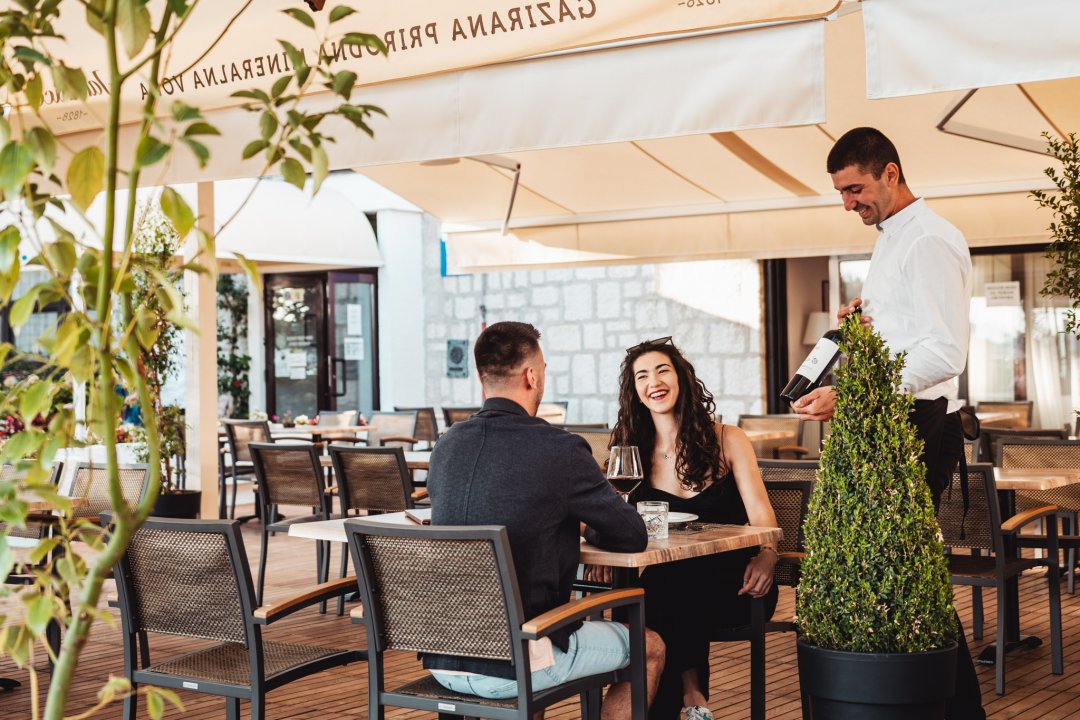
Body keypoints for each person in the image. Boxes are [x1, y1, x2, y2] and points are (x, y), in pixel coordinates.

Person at [791, 127, 984, 720]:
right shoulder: (894, 237)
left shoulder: (927, 239)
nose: (848, 204)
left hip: (922, 420)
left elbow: (947, 353)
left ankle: (955, 709)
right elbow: (910, 335)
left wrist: (848, 389)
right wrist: (865, 327)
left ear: (890, 173)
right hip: (896, 417)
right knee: (904, 566)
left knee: (903, 564)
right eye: (841, 193)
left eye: (855, 189)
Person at [425, 321, 666, 719]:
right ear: (532, 376)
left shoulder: (447, 445)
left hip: (443, 657)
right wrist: (583, 523)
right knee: (649, 647)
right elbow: (632, 535)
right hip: (517, 660)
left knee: (536, 636)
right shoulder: (561, 450)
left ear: (482, 380)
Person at [596, 336, 780, 720]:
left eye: (662, 370)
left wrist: (767, 556)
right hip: (672, 583)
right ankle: (693, 699)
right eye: (642, 376)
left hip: (739, 581)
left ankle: (686, 696)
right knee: (663, 586)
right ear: (636, 393)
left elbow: (763, 519)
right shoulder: (630, 450)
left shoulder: (729, 439)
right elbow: (612, 515)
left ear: (681, 378)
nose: (654, 381)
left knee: (654, 596)